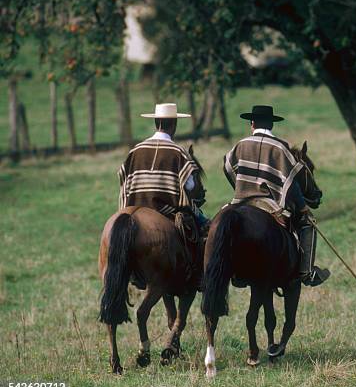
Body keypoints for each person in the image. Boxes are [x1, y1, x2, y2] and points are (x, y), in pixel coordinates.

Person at [223, 105, 330, 287]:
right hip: (269, 203)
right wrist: (303, 208)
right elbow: (290, 181)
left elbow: (227, 167)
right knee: (308, 224)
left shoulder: (240, 145)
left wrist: (242, 187)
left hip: (240, 202)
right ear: (271, 124)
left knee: (214, 227)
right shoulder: (281, 147)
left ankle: (213, 270)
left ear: (252, 123)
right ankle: (307, 272)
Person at [118, 102, 208, 231]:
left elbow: (123, 178)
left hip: (133, 210)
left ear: (155, 122)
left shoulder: (135, 150)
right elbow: (190, 186)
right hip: (166, 212)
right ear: (174, 124)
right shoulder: (179, 152)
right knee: (197, 233)